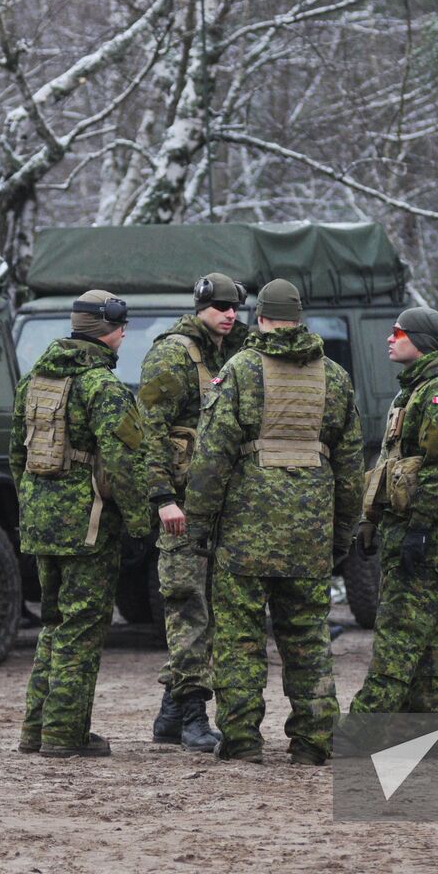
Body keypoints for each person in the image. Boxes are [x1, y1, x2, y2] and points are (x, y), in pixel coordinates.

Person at [186, 279, 364, 765]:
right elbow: (350, 466)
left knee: (239, 639)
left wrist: (198, 525)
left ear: (260, 318)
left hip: (245, 533)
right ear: (299, 318)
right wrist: (344, 529)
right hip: (309, 531)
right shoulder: (334, 376)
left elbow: (211, 458)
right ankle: (313, 741)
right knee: (307, 637)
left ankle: (242, 740)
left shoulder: (239, 371)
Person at [12, 290, 151, 757]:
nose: (125, 334)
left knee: (53, 625)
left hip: (40, 526)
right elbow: (125, 462)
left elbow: (17, 455)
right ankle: (64, 734)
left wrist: (34, 508)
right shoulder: (103, 388)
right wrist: (138, 523)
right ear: (106, 330)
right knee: (81, 630)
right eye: (121, 326)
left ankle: (36, 729)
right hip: (89, 528)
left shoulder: (34, 379)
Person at [350, 307, 438, 716]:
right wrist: (371, 520)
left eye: (399, 332)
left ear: (421, 341)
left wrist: (420, 529)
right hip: (413, 531)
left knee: (397, 639)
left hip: (434, 542)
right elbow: (393, 463)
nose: (390, 339)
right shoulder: (414, 389)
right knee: (428, 649)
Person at [137, 272, 250, 751]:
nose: (230, 315)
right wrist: (163, 497)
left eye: (236, 308)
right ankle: (190, 716)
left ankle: (169, 715)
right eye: (221, 307)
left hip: (217, 505)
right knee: (188, 607)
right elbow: (151, 432)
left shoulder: (231, 354)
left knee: (205, 607)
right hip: (182, 505)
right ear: (201, 305)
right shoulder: (172, 354)